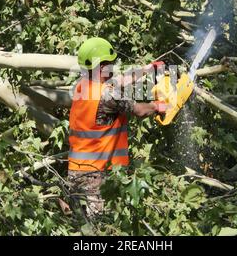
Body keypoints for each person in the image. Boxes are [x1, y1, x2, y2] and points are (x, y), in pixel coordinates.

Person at [68, 37, 166, 218]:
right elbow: (138, 110)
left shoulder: (82, 86)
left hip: (75, 171)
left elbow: (118, 80)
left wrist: (147, 70)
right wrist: (158, 106)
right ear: (102, 65)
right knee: (102, 226)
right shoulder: (108, 95)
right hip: (96, 176)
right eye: (110, 64)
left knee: (79, 225)